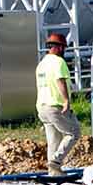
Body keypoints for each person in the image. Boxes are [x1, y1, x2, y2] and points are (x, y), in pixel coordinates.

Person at [34, 29, 80, 171]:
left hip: (42, 107)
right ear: (59, 47)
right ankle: (56, 160)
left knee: (53, 140)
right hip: (55, 105)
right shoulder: (59, 62)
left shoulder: (42, 64)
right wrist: (66, 100)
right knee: (73, 132)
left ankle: (53, 172)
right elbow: (60, 81)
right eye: (63, 48)